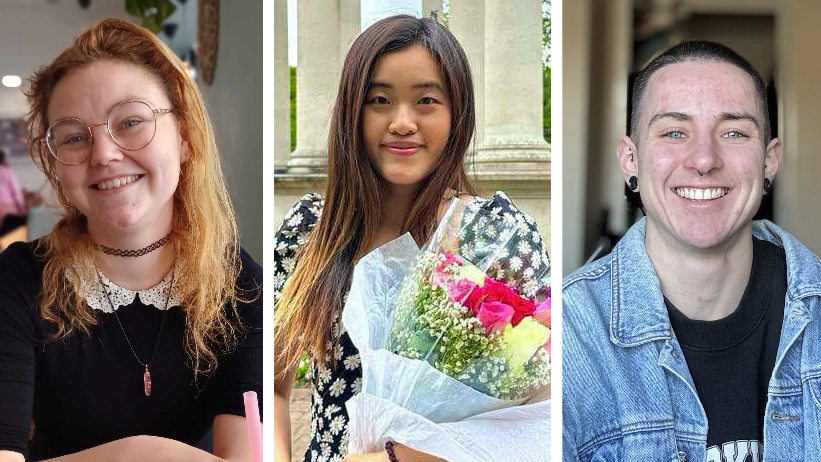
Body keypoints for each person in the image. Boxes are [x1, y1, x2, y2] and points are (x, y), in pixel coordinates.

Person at [274, 15, 550, 462]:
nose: (402, 122)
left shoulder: (497, 238)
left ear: (456, 113)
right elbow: (273, 387)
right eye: (379, 99)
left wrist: (395, 459)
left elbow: (537, 422)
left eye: (426, 100)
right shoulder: (311, 230)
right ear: (353, 111)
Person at [0, 19, 262, 462]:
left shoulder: (238, 283)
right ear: (56, 166)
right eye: (75, 137)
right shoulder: (20, 279)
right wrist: (139, 453)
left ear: (183, 137)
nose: (103, 154)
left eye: (132, 121)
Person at [561, 40, 821, 461]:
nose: (704, 159)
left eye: (734, 132)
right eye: (674, 132)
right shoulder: (567, 334)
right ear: (631, 160)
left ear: (769, 160)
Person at [0, 149, 27, 236]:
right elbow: (16, 193)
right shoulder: (7, 172)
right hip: (7, 209)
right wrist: (22, 211)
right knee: (9, 238)